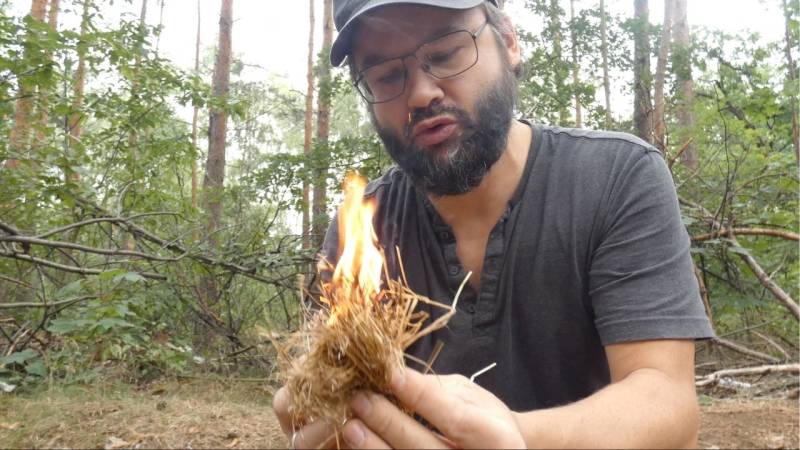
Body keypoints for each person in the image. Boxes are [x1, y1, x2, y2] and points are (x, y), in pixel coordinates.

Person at [273, 0, 715, 448]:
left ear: (508, 41)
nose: (422, 93)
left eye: (446, 54)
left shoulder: (614, 177)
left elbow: (667, 404)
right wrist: (327, 422)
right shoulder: (363, 231)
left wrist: (511, 438)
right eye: (387, 75)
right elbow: (334, 397)